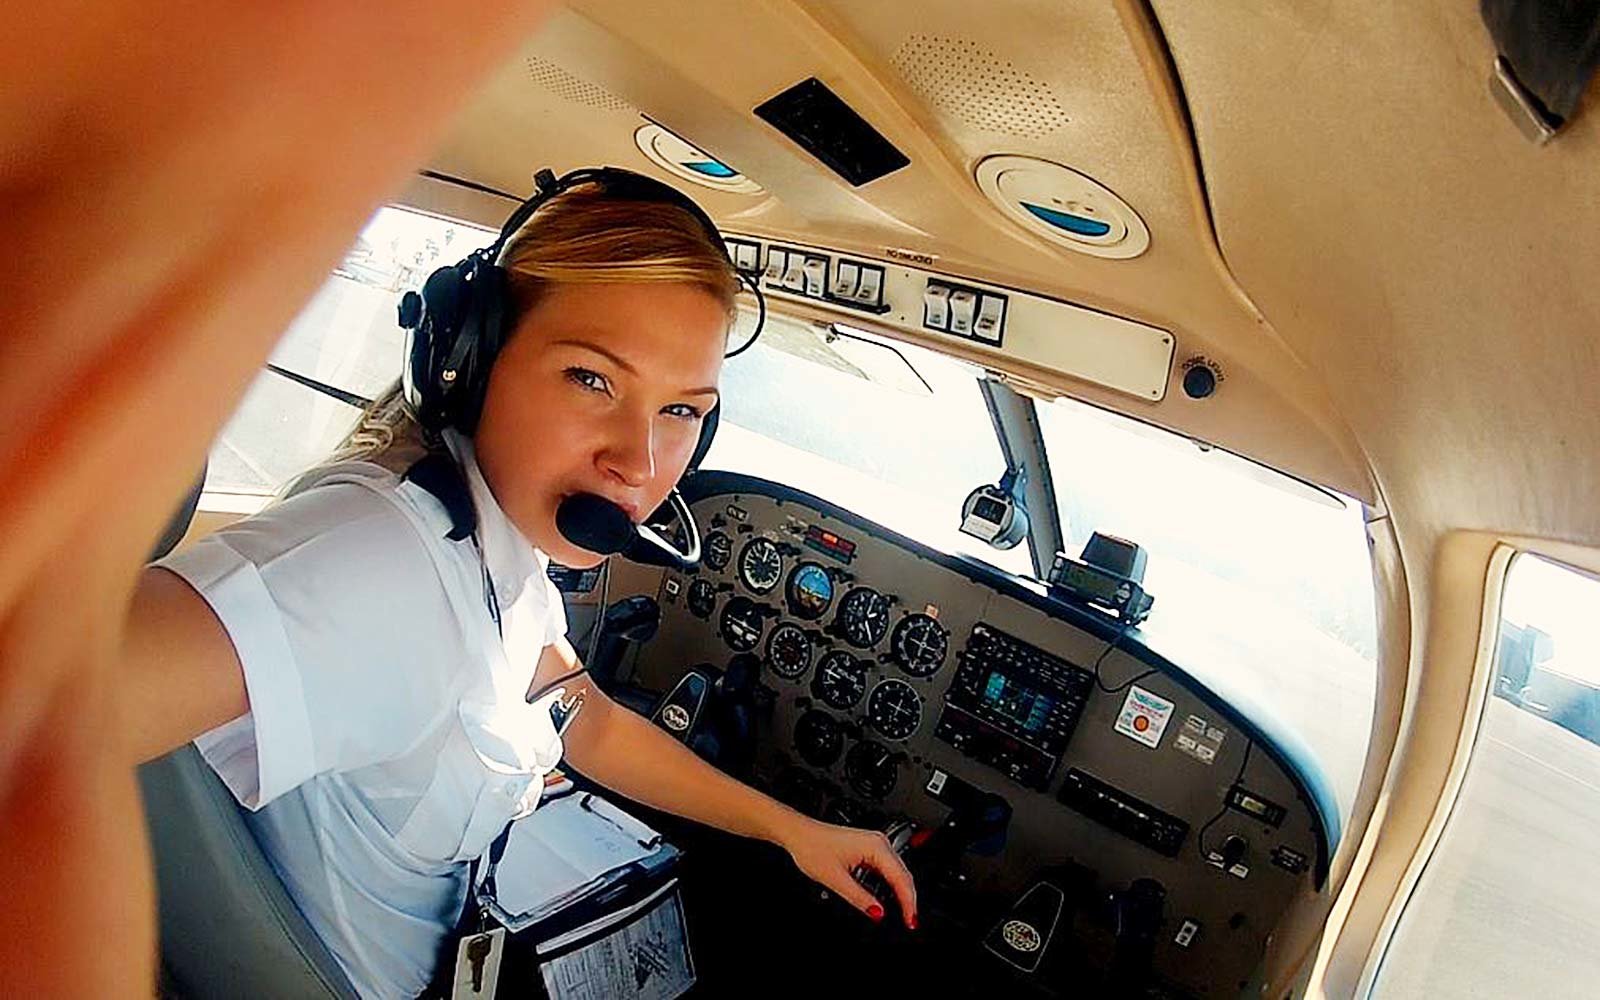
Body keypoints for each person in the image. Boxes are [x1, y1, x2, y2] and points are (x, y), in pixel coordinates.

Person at [122, 170, 918, 997]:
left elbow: (582, 717)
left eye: (681, 411)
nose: (638, 463)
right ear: (472, 359)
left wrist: (791, 831)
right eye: (592, 379)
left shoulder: (485, 542)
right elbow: (51, 723)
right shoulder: (381, 564)